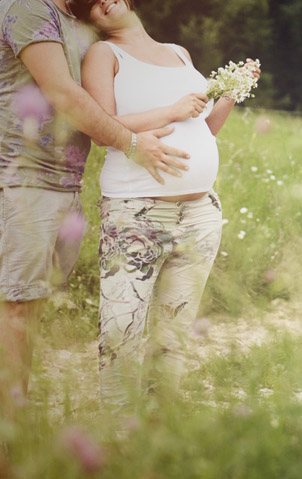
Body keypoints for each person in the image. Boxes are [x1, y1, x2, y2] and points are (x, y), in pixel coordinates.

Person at [0, 0, 192, 419]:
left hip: (63, 184)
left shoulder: (77, 21)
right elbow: (63, 94)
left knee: (27, 311)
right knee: (15, 310)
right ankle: (9, 452)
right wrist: (133, 143)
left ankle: (15, 433)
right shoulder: (29, 7)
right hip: (20, 183)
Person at [75, 0, 245, 412]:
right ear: (91, 20)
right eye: (92, 6)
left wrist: (229, 96)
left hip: (200, 213)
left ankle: (158, 436)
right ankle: (119, 439)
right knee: (121, 333)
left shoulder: (179, 54)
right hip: (136, 211)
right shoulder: (104, 54)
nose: (104, 3)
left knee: (173, 337)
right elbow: (100, 124)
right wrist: (169, 110)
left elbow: (202, 130)